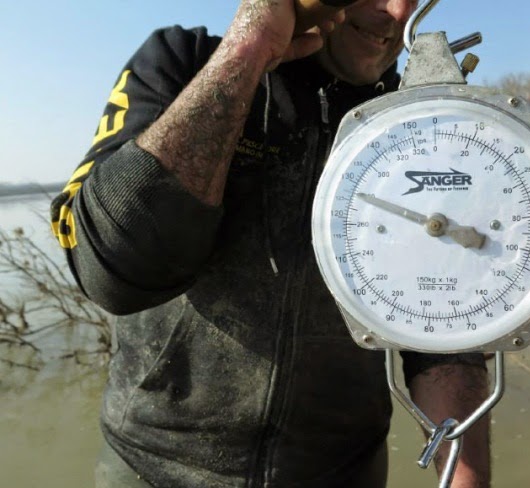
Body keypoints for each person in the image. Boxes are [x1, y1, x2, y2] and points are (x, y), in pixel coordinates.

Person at [50, 1, 490, 486]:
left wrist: (465, 476)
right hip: (153, 467)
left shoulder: (424, 126)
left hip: (343, 471)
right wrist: (249, 50)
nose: (399, 9)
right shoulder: (181, 61)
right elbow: (110, 273)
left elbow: (447, 327)